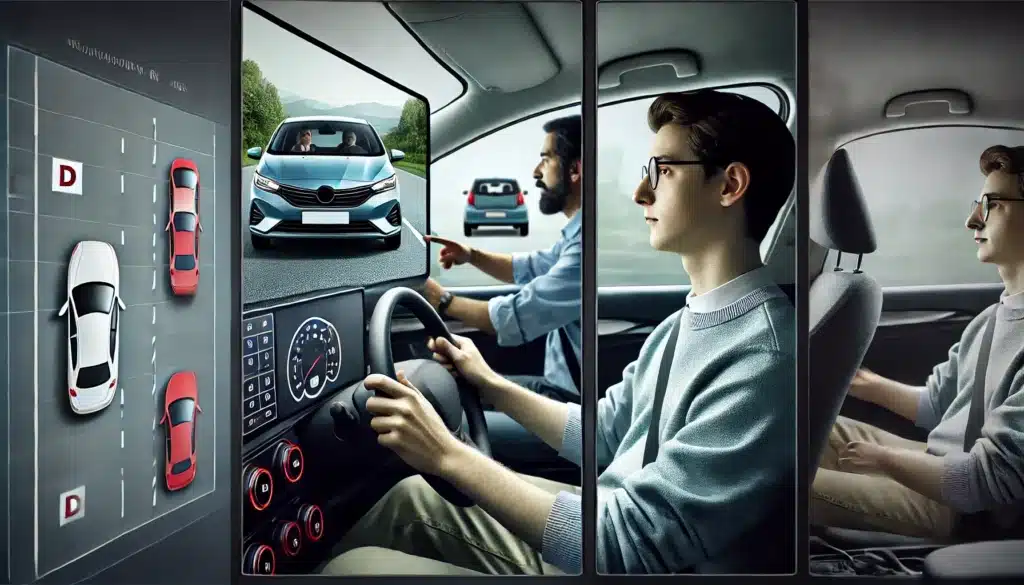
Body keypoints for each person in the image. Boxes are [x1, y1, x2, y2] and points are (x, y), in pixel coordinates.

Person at [321, 90, 796, 575]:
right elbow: (607, 433)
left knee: (352, 569)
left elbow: (629, 548)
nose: (640, 193)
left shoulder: (763, 358)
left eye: (663, 171)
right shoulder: (688, 320)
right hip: (611, 513)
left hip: (621, 549)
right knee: (413, 497)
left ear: (729, 185)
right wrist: (491, 384)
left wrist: (446, 454)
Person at [810, 144, 1024, 539]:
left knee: (778, 490)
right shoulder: (992, 319)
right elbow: (939, 405)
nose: (972, 219)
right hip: (940, 460)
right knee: (801, 431)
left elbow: (988, 481)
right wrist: (864, 384)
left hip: (967, 509)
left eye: (991, 204)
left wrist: (883, 460)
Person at [420, 115, 583, 402]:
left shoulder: (585, 247)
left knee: (447, 416)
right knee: (454, 394)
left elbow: (512, 317)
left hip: (570, 408)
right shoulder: (580, 236)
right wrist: (471, 255)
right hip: (554, 389)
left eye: (545, 159)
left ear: (574, 169)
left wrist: (441, 300)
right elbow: (529, 267)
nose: (536, 172)